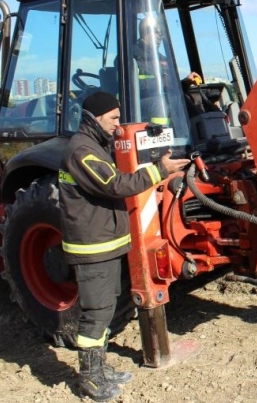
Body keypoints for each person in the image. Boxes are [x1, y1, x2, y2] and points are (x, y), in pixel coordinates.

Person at [59, 91, 190, 401]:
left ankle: (101, 369)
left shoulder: (96, 147)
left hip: (107, 243)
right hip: (92, 248)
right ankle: (89, 378)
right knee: (96, 313)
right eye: (114, 118)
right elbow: (115, 184)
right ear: (95, 116)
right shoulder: (81, 150)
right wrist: (160, 171)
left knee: (106, 310)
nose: (118, 125)